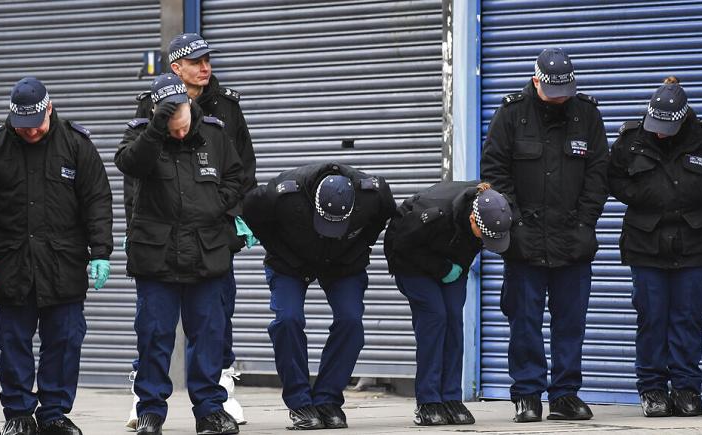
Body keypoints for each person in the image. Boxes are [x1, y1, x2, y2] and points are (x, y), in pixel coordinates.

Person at [125, 32, 256, 429]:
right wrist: (157, 129)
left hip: (208, 246)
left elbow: (239, 175)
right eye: (196, 61)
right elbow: (131, 171)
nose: (205, 67)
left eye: (207, 60)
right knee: (154, 334)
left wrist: (225, 213)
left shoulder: (219, 123)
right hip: (158, 249)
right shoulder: (144, 126)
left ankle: (212, 407)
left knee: (212, 332)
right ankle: (149, 409)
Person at [0, 77, 113, 435]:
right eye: (23, 126)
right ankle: (19, 415)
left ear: (49, 109)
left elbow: (97, 200)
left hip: (63, 264)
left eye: (36, 124)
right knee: (13, 343)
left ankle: (54, 414)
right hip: (12, 263)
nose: (31, 132)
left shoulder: (76, 145)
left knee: (64, 342)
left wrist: (100, 251)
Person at [480, 48, 608, 422]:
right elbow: (495, 172)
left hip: (573, 239)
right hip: (525, 240)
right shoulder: (511, 113)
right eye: (553, 92)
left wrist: (585, 224)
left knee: (570, 324)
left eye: (566, 92)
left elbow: (599, 174)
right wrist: (515, 225)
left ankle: (565, 395)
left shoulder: (587, 114)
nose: (560, 99)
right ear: (536, 81)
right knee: (524, 323)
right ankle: (527, 394)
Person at [608, 77, 702, 418]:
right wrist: (642, 195)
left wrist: (697, 192)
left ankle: (686, 388)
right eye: (656, 126)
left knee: (688, 317)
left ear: (683, 118)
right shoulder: (631, 139)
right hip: (645, 242)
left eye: (668, 129)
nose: (661, 134)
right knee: (651, 318)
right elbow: (612, 177)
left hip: (695, 241)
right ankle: (652, 389)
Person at [243, 162, 396, 430]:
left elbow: (383, 217)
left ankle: (327, 400)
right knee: (287, 320)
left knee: (351, 322)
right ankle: (300, 403)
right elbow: (251, 213)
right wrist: (282, 251)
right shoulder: (282, 194)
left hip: (343, 261)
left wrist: (360, 246)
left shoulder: (373, 193)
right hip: (291, 263)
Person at [384, 181, 512, 426]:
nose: (486, 242)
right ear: (473, 219)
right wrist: (441, 268)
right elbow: (401, 247)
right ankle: (428, 400)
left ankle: (451, 397)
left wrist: (457, 267)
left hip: (452, 259)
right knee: (435, 317)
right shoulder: (434, 214)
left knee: (453, 318)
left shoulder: (498, 210)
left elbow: (472, 245)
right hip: (410, 260)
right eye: (483, 236)